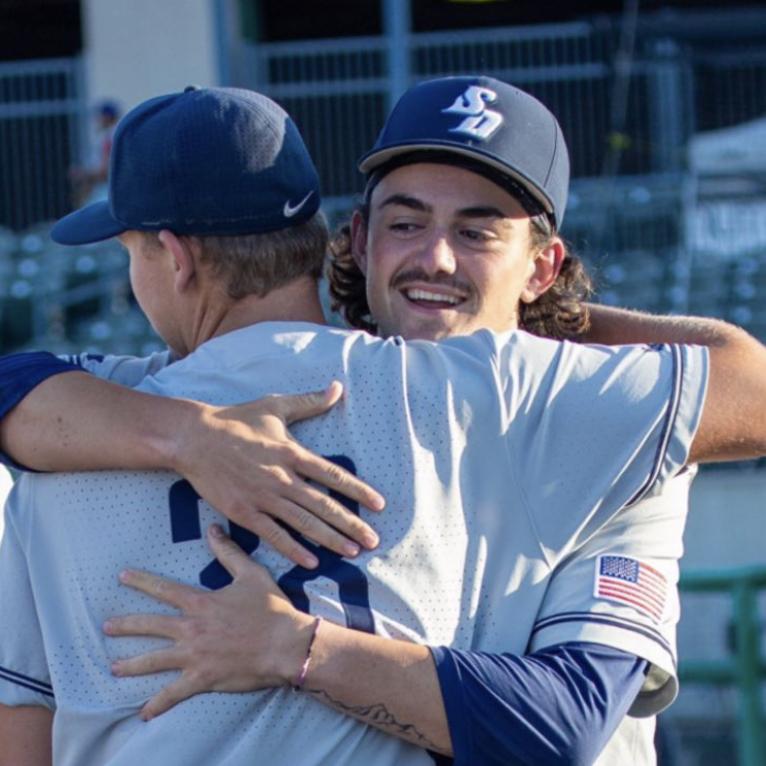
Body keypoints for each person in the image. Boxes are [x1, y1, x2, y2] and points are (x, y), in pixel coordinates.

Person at [0, 79, 763, 766]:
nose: (435, 259)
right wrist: (186, 436)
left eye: (477, 233)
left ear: (174, 257)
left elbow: (564, 719)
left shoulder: (67, 443)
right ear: (354, 240)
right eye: (406, 223)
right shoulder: (501, 396)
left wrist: (297, 647)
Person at [68, 100, 121, 206]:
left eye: (99, 116)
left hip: (105, 192)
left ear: (107, 117)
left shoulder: (109, 137)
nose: (97, 119)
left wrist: (82, 174)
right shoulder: (117, 133)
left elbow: (105, 171)